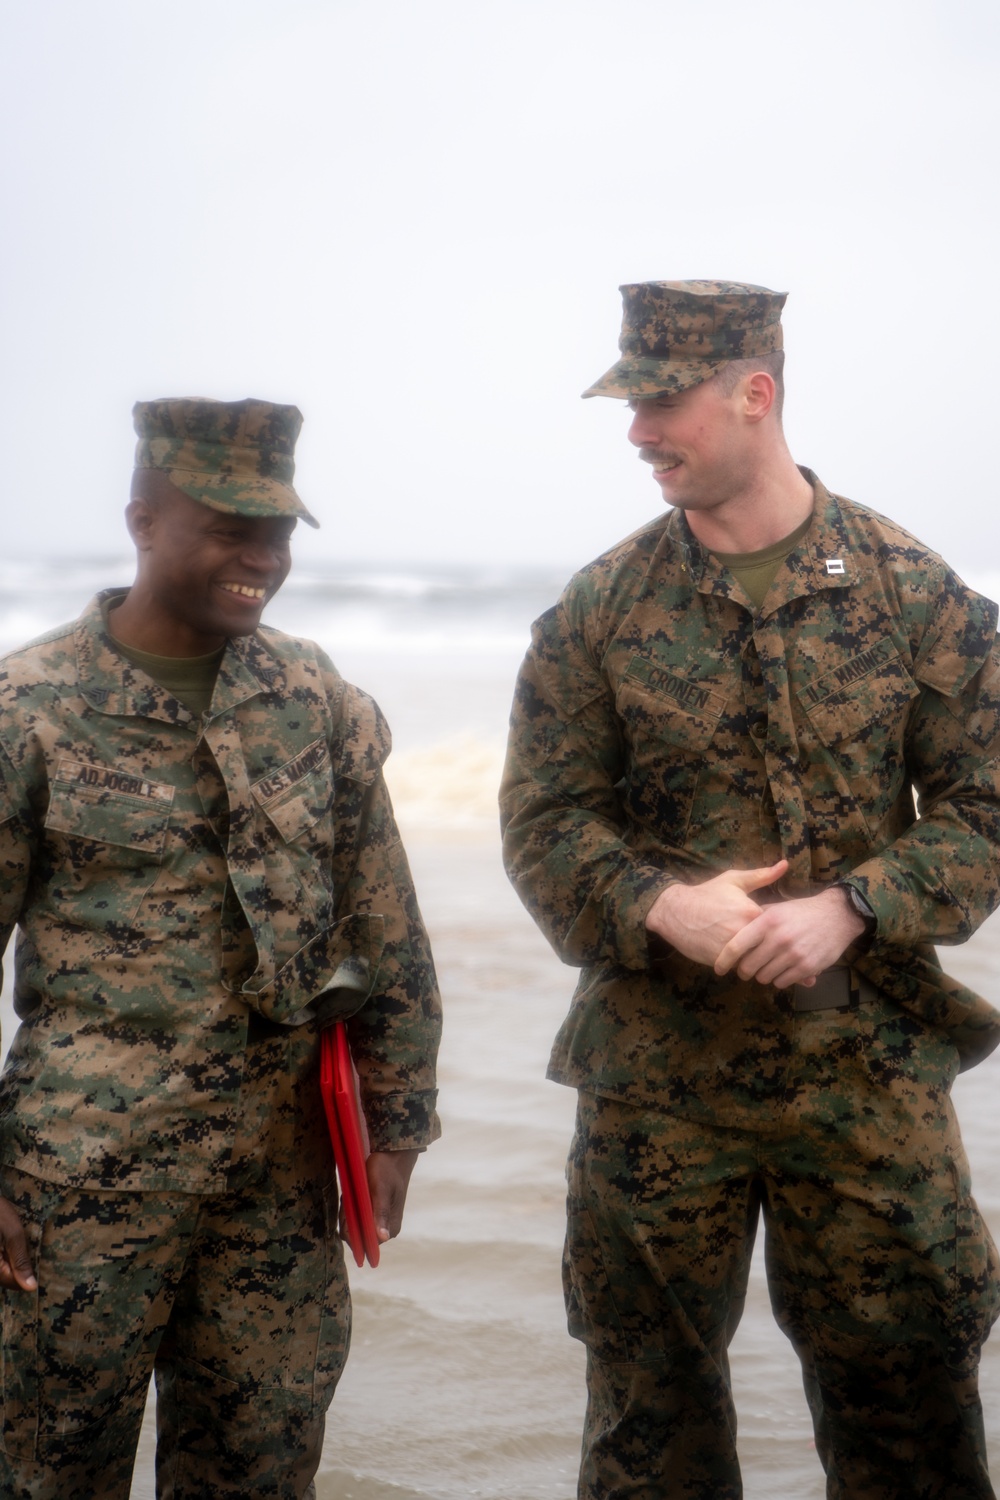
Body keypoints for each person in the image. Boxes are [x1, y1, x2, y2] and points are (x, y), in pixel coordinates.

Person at [500, 281, 1000, 1498]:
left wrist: (857, 904)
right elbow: (543, 819)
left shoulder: (910, 593)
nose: (637, 433)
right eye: (630, 405)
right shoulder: (600, 610)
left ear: (753, 394)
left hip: (867, 1083)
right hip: (657, 1090)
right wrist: (659, 904)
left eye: (661, 403)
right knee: (646, 1431)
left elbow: (990, 807)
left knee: (911, 1424)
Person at [0, 398, 442, 1499]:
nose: (262, 559)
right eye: (230, 529)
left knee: (262, 1471)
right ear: (143, 521)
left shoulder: (313, 699)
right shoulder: (28, 709)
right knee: (48, 1474)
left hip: (278, 1187)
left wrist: (397, 1121)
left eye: (280, 533)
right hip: (83, 1186)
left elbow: (383, 921)